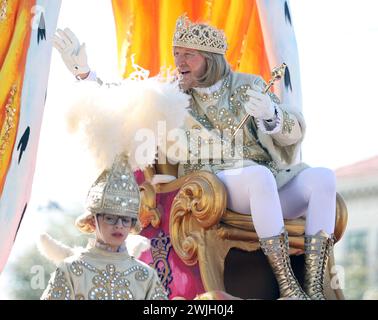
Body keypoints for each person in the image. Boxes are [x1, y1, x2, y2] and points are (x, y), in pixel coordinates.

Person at [53, 15, 336, 300]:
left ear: (211, 59)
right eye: (177, 54)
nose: (180, 62)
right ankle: (288, 287)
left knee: (323, 178)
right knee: (257, 176)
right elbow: (124, 101)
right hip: (212, 189)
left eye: (189, 55)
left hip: (268, 187)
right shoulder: (173, 94)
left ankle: (314, 288)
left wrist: (271, 115)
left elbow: (292, 134)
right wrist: (85, 74)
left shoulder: (249, 84)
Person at [41, 153, 168, 300]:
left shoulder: (146, 276)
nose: (119, 225)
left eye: (126, 220)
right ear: (92, 220)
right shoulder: (70, 270)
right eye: (110, 218)